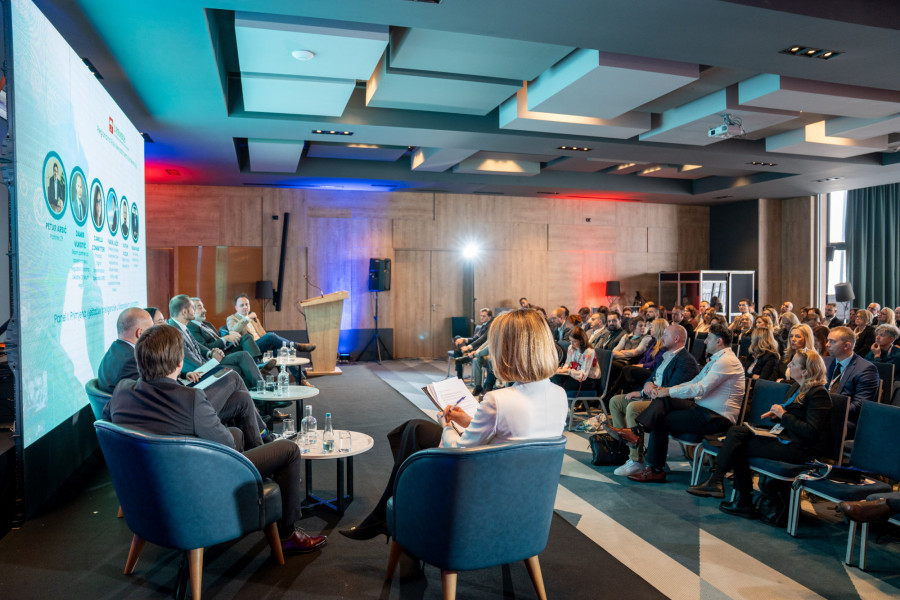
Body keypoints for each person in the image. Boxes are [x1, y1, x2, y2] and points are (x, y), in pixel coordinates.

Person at [339, 308, 567, 540]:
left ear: (508, 351)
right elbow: (514, 436)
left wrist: (446, 425)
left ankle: (394, 516)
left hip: (483, 489)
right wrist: (469, 421)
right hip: (526, 490)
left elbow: (458, 450)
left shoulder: (498, 400)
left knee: (414, 432)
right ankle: (388, 516)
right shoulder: (559, 394)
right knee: (414, 430)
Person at [104, 323, 325, 553]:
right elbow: (228, 445)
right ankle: (287, 534)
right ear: (180, 363)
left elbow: (109, 421)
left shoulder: (122, 390)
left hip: (150, 485)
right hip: (198, 484)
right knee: (288, 449)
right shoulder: (190, 399)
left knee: (240, 404)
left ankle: (264, 484)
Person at [687, 349, 832, 519]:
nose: (789, 366)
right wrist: (777, 415)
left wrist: (784, 415)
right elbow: (793, 416)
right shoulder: (796, 387)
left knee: (738, 445)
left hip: (801, 448)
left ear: (805, 372)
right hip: (786, 438)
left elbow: (810, 432)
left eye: (793, 364)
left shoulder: (818, 394)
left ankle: (737, 496)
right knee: (737, 432)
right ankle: (721, 484)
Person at [609, 325, 744, 483]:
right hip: (702, 410)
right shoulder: (717, 359)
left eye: (709, 338)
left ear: (719, 341)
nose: (705, 341)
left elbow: (700, 388)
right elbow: (694, 381)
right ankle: (644, 450)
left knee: (661, 414)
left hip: (717, 418)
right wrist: (667, 391)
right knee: (663, 404)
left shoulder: (727, 361)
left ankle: (652, 464)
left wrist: (668, 391)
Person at [608, 324, 699, 477]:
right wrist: (646, 387)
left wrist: (648, 390)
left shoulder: (686, 360)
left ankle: (636, 460)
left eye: (665, 335)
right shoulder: (666, 355)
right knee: (616, 401)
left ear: (676, 338)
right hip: (653, 396)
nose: (662, 338)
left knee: (633, 407)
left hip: (667, 403)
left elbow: (673, 390)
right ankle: (624, 449)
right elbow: (652, 377)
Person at [825, 327, 880, 438]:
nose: (827, 344)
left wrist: (826, 411)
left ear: (847, 346)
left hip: (846, 420)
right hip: (822, 413)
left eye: (832, 341)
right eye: (827, 340)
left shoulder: (866, 369)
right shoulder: (825, 362)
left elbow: (860, 405)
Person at [97, 307, 150, 393]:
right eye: (151, 330)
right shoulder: (133, 360)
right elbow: (147, 394)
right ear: (140, 333)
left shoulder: (113, 350)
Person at [551, 326, 600, 393]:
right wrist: (562, 370)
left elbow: (583, 375)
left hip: (588, 380)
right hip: (574, 375)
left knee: (559, 385)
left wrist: (567, 371)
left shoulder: (589, 352)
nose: (572, 344)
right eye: (570, 341)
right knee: (553, 378)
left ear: (581, 341)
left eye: (574, 341)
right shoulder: (571, 348)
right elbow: (568, 364)